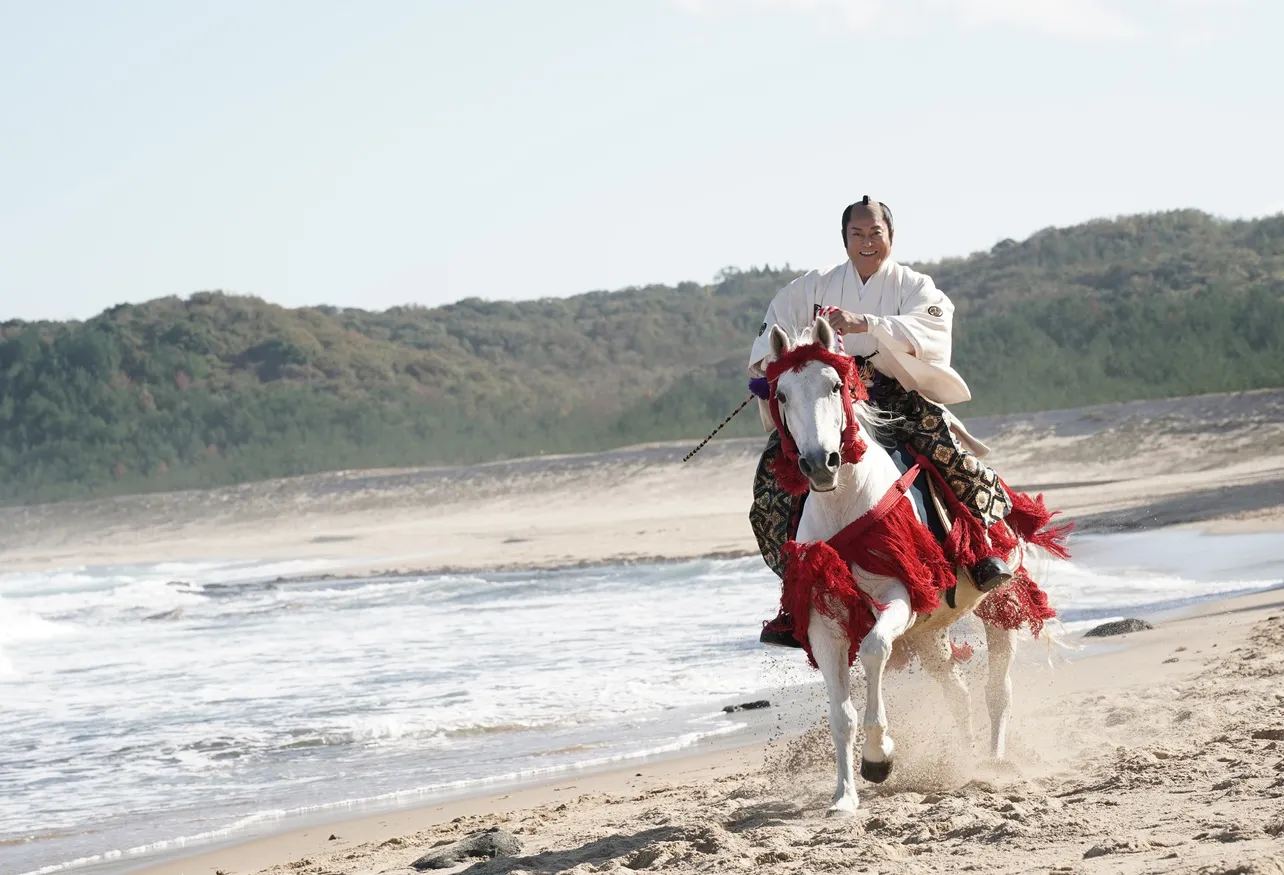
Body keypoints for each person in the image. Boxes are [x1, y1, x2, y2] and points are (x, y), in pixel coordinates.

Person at [748, 196, 1013, 648]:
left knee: (945, 450)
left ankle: (982, 551)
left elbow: (929, 331)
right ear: (845, 239)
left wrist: (864, 322)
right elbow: (772, 334)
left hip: (894, 394)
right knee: (773, 479)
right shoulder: (812, 287)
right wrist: (781, 365)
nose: (867, 242)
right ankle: (795, 599)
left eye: (876, 234)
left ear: (891, 236)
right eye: (858, 234)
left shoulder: (914, 286)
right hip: (831, 401)